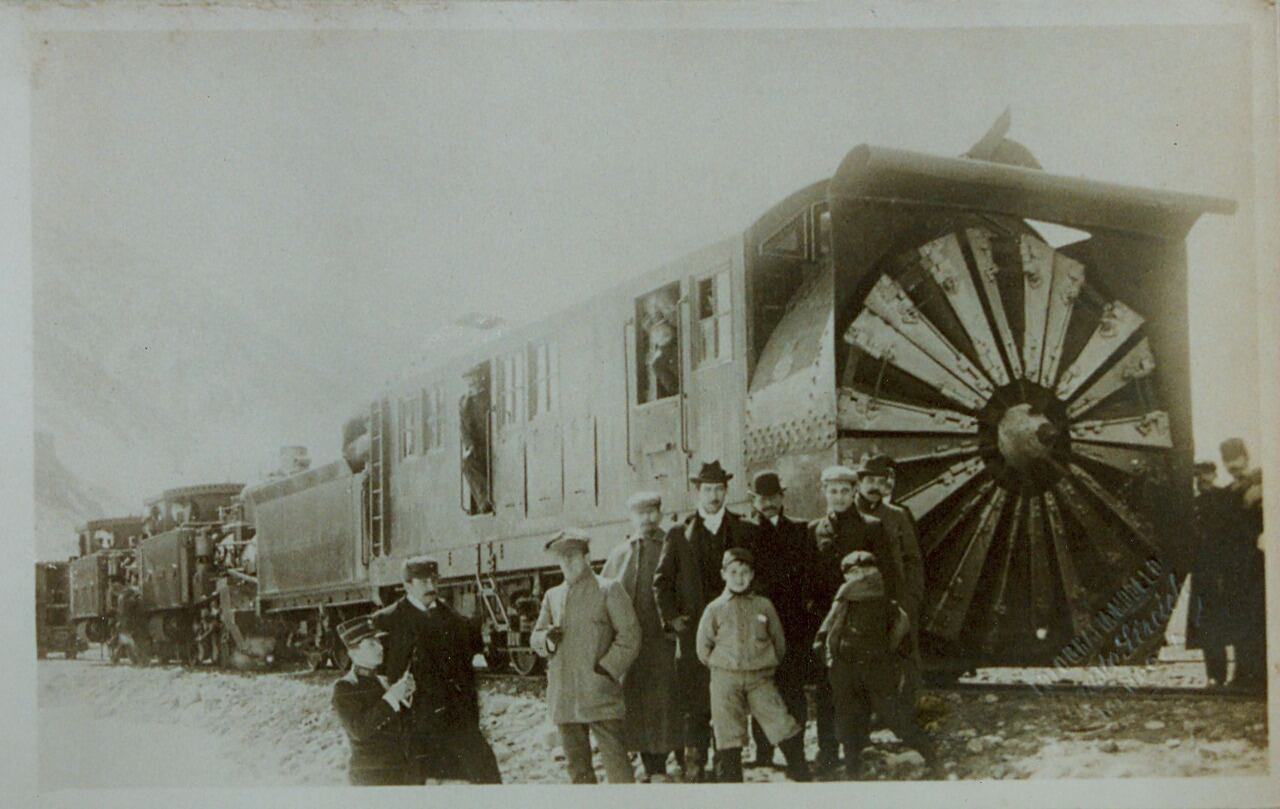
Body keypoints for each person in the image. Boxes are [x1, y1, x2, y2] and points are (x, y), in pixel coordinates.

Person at [653, 459, 751, 781]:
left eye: (719, 489)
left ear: (726, 491)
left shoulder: (741, 529)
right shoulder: (679, 534)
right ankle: (694, 768)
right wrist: (672, 620)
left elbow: (757, 578)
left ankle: (728, 769)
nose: (713, 495)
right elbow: (662, 582)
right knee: (694, 703)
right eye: (707, 489)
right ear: (697, 492)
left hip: (732, 634)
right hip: (694, 634)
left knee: (728, 703)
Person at [372, 556, 502, 784]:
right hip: (411, 727)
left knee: (486, 774)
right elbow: (379, 681)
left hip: (455, 721)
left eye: (434, 580)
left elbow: (467, 677)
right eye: (423, 582)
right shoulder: (386, 622)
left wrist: (471, 719)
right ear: (407, 585)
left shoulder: (456, 622)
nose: (431, 587)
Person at [813, 551, 937, 780]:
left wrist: (887, 665)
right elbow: (824, 635)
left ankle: (932, 759)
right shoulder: (841, 604)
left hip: (877, 672)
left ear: (876, 573)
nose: (861, 577)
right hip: (845, 671)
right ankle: (853, 772)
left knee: (895, 717)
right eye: (854, 573)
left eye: (867, 571)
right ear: (846, 577)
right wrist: (833, 663)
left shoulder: (888, 606)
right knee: (848, 723)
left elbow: (902, 641)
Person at [531, 529, 641, 784]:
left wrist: (607, 669)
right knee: (578, 769)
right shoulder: (553, 596)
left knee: (617, 765)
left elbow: (630, 635)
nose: (567, 563)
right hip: (566, 697)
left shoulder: (608, 590)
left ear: (587, 557)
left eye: (573, 556)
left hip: (600, 693)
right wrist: (546, 640)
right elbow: (536, 638)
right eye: (562, 558)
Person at [696, 547, 810, 783]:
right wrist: (723, 666)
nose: (739, 578)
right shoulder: (714, 609)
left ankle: (801, 774)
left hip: (760, 678)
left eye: (745, 572)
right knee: (728, 731)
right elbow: (703, 647)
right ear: (723, 574)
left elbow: (778, 642)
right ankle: (732, 784)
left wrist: (765, 664)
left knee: (780, 721)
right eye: (734, 572)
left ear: (752, 575)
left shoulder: (764, 605)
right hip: (725, 679)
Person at [807, 464, 889, 773]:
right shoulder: (814, 530)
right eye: (833, 491)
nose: (838, 497)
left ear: (854, 492)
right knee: (827, 688)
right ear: (824, 492)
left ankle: (857, 749)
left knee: (858, 688)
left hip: (861, 622)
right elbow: (808, 576)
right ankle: (827, 751)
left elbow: (885, 576)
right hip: (828, 623)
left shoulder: (872, 527)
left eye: (844, 491)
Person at [601, 492, 682, 781]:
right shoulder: (620, 553)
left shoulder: (673, 545)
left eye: (652, 512)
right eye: (641, 513)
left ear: (660, 513)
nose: (647, 518)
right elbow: (605, 595)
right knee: (635, 702)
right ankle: (647, 762)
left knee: (665, 700)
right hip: (632, 646)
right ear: (631, 518)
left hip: (664, 642)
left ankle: (666, 760)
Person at [740, 470, 816, 770]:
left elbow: (808, 574)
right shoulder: (745, 533)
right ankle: (763, 753)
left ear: (782, 497)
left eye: (773, 497)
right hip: (759, 623)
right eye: (762, 498)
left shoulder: (800, 530)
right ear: (754, 500)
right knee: (760, 689)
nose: (768, 503)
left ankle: (796, 749)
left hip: (794, 623)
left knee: (793, 688)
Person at [853, 454, 925, 700]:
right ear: (859, 483)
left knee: (904, 658)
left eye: (880, 481)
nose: (875, 486)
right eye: (869, 480)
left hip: (897, 599)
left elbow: (913, 560)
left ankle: (906, 717)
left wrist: (912, 597)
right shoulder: (848, 515)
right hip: (861, 602)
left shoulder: (898, 516)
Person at [330, 615, 417, 785]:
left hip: (401, 771)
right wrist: (392, 697)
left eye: (378, 642)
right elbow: (359, 730)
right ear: (352, 652)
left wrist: (407, 696)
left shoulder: (381, 681)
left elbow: (400, 724)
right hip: (372, 777)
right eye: (371, 644)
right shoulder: (345, 688)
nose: (380, 647)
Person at [1219, 438, 1266, 693]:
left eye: (1234, 460)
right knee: (1242, 619)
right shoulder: (1230, 492)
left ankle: (1257, 674)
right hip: (1237, 564)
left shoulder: (1261, 482)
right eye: (1227, 462)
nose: (1231, 467)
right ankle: (1244, 674)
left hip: (1256, 560)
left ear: (1245, 458)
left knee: (1257, 617)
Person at [1187, 460, 1230, 687]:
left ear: (1213, 475)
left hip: (1216, 569)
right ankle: (1215, 674)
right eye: (1199, 478)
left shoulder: (1220, 499)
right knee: (1207, 621)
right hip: (1205, 569)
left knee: (1212, 621)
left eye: (1205, 476)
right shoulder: (1202, 501)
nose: (1202, 481)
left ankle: (1217, 675)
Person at [460, 370, 492, 513]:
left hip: (491, 441)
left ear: (480, 378)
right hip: (478, 446)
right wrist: (469, 446)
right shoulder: (465, 402)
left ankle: (487, 498)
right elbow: (463, 427)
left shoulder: (489, 395)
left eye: (473, 380)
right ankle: (483, 499)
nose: (471, 384)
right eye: (468, 381)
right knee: (467, 463)